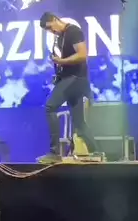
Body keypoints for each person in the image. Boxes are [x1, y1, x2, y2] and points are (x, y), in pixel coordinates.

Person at [38, 12, 98, 163]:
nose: (51, 31)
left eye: (50, 28)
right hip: (70, 79)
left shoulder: (73, 31)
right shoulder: (60, 37)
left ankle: (54, 153)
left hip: (76, 78)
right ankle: (96, 152)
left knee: (50, 107)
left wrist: (62, 62)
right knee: (79, 121)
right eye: (48, 30)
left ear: (55, 19)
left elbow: (82, 55)